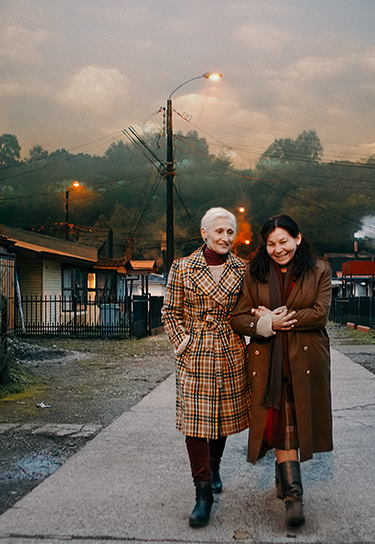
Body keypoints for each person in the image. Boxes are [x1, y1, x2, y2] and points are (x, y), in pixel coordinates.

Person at [230, 214, 333, 528]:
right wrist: (263, 323)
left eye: (284, 242)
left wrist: (279, 319)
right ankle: (294, 498)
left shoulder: (319, 270)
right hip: (267, 363)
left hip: (304, 362)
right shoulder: (255, 272)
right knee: (281, 429)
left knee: (293, 428)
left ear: (297, 239)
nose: (278, 249)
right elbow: (238, 317)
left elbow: (319, 314)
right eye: (271, 243)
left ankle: (287, 483)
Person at [161, 207, 250, 528]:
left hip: (229, 349)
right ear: (204, 234)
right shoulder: (182, 268)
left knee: (222, 418)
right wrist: (182, 341)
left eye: (230, 232)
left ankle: (214, 467)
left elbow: (250, 309)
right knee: (196, 422)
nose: (225, 237)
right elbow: (170, 311)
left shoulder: (243, 269)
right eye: (219, 232)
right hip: (195, 352)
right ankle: (203, 493)